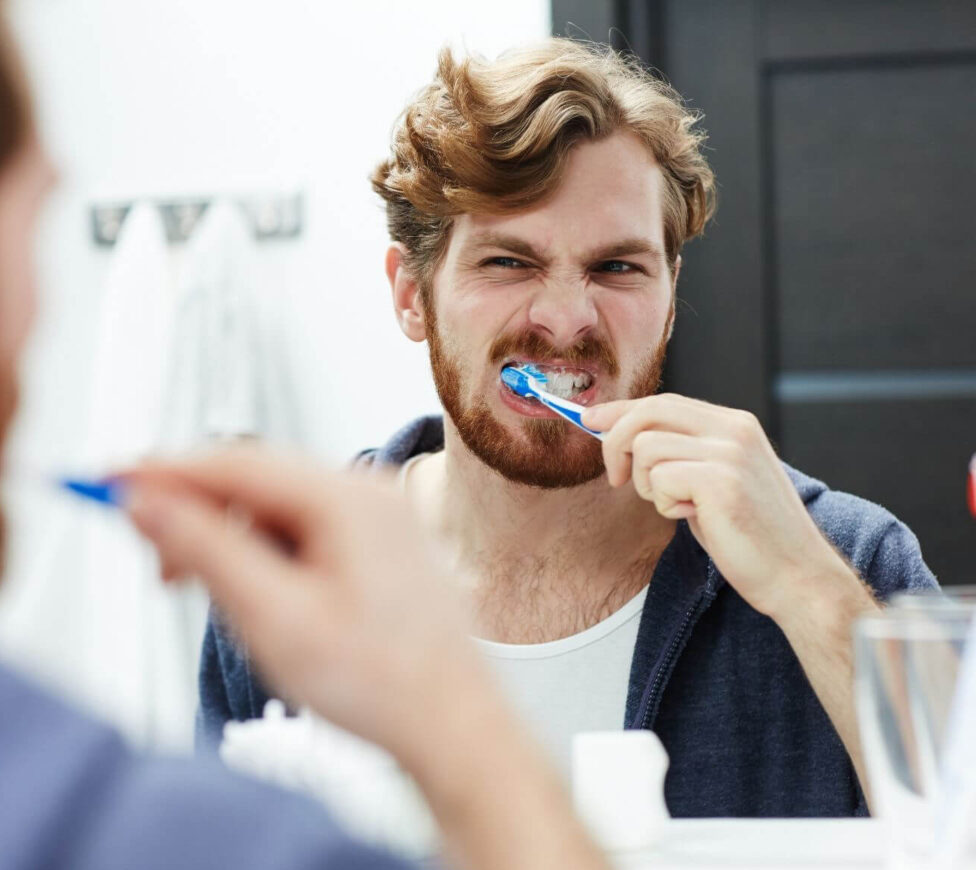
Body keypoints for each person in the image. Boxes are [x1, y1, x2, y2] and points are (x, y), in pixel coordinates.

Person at [0, 2, 627, 870]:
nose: (35, 316)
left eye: (619, 265)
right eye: (29, 232)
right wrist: (461, 725)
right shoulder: (108, 845)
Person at [198, 38, 938, 817]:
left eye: (618, 268)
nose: (565, 319)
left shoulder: (849, 560)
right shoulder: (279, 576)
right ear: (412, 295)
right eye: (508, 263)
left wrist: (812, 593)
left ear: (671, 290)